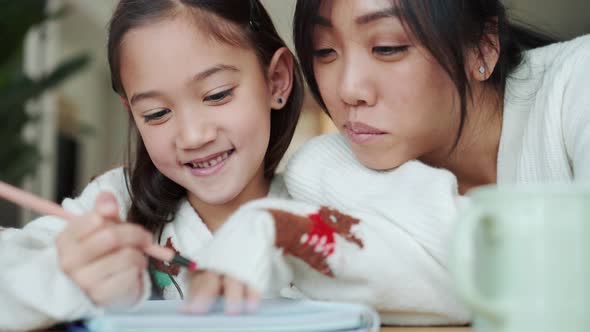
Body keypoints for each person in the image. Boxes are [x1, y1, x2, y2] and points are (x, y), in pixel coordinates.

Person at [185, 0, 590, 325]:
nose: (348, 89)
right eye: (325, 51)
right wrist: (275, 228)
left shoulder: (578, 82)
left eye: (387, 47)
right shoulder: (330, 167)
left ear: (482, 47)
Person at [0, 0, 303, 330]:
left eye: (217, 95)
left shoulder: (324, 210)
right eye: (156, 114)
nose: (192, 136)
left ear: (277, 79)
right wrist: (63, 276)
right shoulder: (118, 202)